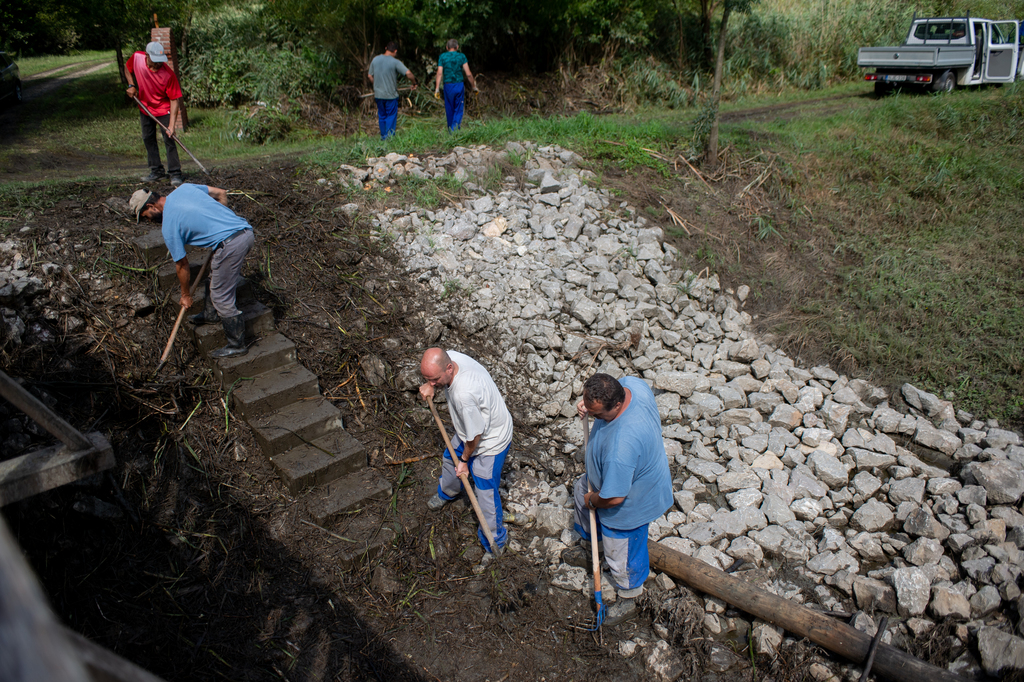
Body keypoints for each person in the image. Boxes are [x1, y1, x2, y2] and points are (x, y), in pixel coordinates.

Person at [564, 373, 673, 625]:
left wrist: (593, 500)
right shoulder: (632, 387)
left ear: (616, 405)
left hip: (633, 498)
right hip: (609, 479)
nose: (594, 418)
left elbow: (613, 498)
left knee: (621, 548)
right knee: (582, 489)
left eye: (598, 415)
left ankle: (629, 594)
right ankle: (593, 545)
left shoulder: (622, 444)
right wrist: (588, 408)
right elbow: (623, 380)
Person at [129, 184, 255, 358]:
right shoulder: (184, 188)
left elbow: (181, 264)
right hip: (244, 232)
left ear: (151, 206)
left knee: (221, 296)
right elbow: (221, 193)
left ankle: (237, 345)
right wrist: (222, 221)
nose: (149, 221)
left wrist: (186, 294)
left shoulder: (169, 226)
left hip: (231, 244)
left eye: (146, 216)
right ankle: (211, 315)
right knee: (214, 277)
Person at [419, 348, 513, 557]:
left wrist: (464, 460)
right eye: (428, 379)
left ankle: (495, 540)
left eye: (435, 379)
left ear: (449, 368)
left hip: (491, 439)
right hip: (471, 428)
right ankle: (447, 492)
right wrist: (430, 382)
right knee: (449, 459)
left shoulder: (464, 395)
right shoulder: (450, 358)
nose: (433, 383)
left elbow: (474, 438)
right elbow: (470, 432)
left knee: (484, 489)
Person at [125, 41, 183, 186]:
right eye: (155, 61)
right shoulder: (137, 58)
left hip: (163, 109)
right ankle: (156, 171)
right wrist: (131, 85)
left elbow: (174, 100)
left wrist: (171, 125)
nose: (158, 64)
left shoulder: (168, 75)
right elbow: (127, 68)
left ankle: (175, 173)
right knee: (148, 138)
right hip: (145, 107)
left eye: (160, 61)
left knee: (169, 139)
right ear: (147, 56)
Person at [367, 42, 418, 140]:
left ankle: (383, 136)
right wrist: (414, 82)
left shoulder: (375, 59)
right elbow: (408, 73)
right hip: (390, 95)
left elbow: (369, 75)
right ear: (395, 51)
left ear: (386, 48)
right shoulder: (395, 62)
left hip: (378, 95)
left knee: (382, 116)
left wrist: (376, 85)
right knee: (390, 116)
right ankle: (389, 138)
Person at [434, 39, 478, 132]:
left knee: (449, 108)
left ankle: (450, 130)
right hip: (459, 85)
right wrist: (474, 86)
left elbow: (439, 73)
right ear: (457, 47)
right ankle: (454, 131)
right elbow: (468, 74)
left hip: (448, 85)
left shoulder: (442, 57)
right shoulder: (461, 56)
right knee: (458, 109)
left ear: (447, 47)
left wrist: (437, 88)